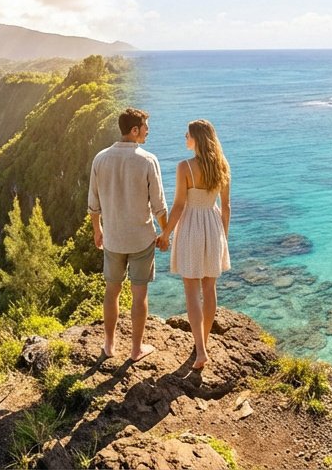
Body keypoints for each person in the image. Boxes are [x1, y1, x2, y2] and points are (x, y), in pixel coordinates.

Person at [87, 107, 167, 361]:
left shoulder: (100, 158)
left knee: (112, 291)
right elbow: (159, 206)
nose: (148, 132)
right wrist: (166, 233)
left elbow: (93, 202)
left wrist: (97, 230)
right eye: (145, 128)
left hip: (113, 238)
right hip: (141, 238)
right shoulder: (147, 160)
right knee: (139, 293)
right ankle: (136, 350)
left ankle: (109, 345)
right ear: (134, 130)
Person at [158, 119, 231, 370]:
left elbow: (178, 206)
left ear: (197, 138)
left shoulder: (184, 167)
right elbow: (226, 207)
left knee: (191, 290)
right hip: (213, 226)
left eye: (187, 134)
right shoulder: (222, 166)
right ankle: (204, 342)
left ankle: (200, 350)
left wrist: (166, 233)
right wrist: (224, 238)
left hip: (190, 226)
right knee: (209, 288)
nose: (184, 137)